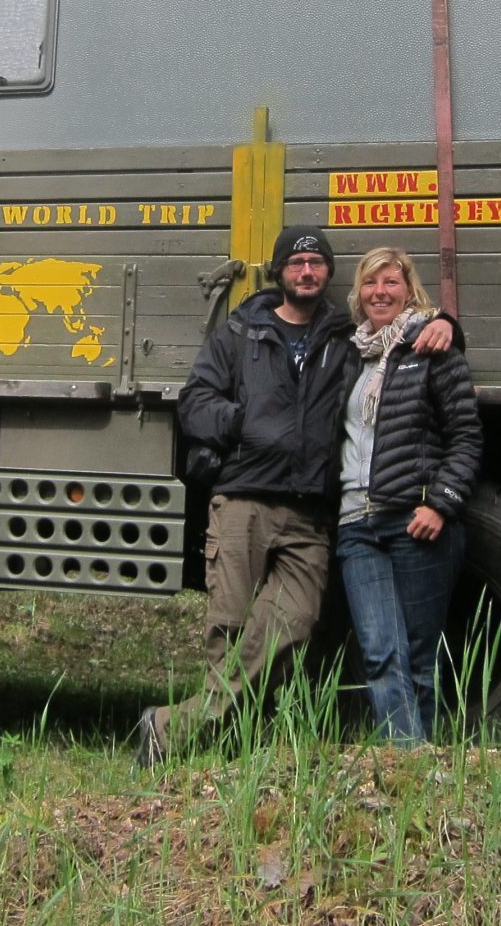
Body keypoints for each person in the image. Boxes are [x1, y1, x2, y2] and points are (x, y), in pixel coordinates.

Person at [136, 226, 451, 765]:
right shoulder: (241, 333)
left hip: (310, 511)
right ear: (279, 271)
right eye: (297, 263)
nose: (307, 272)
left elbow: (401, 336)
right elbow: (195, 403)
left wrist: (447, 324)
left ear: (328, 273)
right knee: (230, 625)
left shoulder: (347, 337)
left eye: (316, 263)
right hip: (244, 501)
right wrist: (246, 423)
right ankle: (226, 748)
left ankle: (172, 728)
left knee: (294, 624)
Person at [334, 246, 481, 744]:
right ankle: (410, 759)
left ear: (408, 289)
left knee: (419, 655)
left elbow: (466, 436)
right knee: (380, 651)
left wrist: (441, 503)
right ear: (359, 293)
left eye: (391, 282)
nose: (380, 292)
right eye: (371, 283)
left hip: (412, 522)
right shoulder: (350, 355)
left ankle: (412, 762)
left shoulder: (431, 348)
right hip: (355, 524)